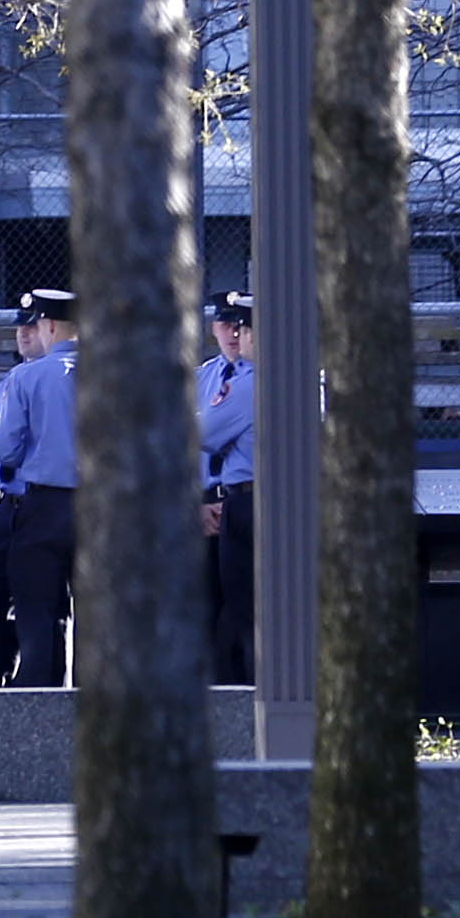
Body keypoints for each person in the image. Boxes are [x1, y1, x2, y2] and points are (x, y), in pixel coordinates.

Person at [0, 288, 78, 688]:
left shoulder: (27, 377)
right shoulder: (117, 375)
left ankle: (40, 698)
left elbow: (5, 449)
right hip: (103, 505)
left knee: (38, 610)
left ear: (49, 326)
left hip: (44, 504)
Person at [197, 294, 256, 686]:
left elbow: (197, 433)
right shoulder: (206, 376)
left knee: (240, 613)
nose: (236, 334)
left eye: (243, 327)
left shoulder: (248, 383)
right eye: (228, 325)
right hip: (220, 503)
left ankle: (235, 704)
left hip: (246, 503)